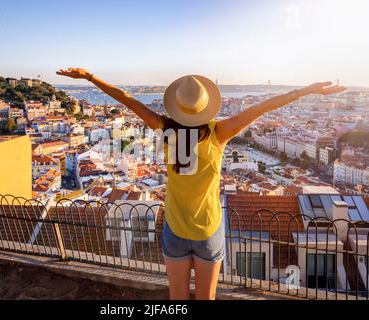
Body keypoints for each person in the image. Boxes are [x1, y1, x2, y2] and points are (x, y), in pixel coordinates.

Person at [57, 68, 346, 300]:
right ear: (206, 107)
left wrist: (90, 77)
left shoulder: (165, 129)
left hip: (175, 228)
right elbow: (265, 106)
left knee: (177, 298)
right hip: (207, 229)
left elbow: (127, 99)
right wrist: (308, 90)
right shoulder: (219, 133)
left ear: (178, 105)